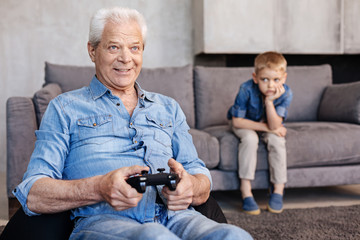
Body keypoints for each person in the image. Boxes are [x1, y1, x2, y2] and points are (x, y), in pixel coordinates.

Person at [13, 7, 252, 240]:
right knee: (154, 236)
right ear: (92, 51)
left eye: (134, 48)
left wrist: (191, 186)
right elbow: (33, 192)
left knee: (235, 235)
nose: (126, 58)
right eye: (114, 47)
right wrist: (99, 188)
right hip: (105, 221)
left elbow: (197, 172)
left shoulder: (168, 107)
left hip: (178, 217)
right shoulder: (64, 108)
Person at [227, 51, 293, 215]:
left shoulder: (286, 92)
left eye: (276, 80)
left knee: (277, 141)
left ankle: (278, 190)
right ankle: (246, 190)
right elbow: (237, 121)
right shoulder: (246, 89)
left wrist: (269, 102)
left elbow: (275, 124)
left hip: (269, 124)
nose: (271, 85)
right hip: (245, 124)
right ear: (255, 78)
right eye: (265, 79)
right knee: (250, 139)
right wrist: (267, 128)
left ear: (283, 78)